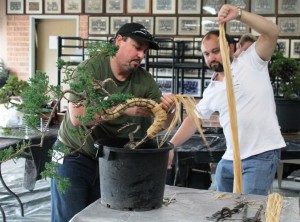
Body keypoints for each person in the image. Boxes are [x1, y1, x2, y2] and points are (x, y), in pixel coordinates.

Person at [51, 23, 175, 222]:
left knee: (102, 217)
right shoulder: (90, 68)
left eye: (145, 51)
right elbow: (78, 117)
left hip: (112, 160)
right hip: (73, 153)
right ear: (118, 41)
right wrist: (124, 109)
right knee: (69, 216)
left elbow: (164, 121)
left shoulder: (145, 81)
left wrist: (170, 110)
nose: (141, 55)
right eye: (137, 47)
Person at [168, 4, 286, 196]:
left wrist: (239, 15)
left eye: (215, 51)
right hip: (230, 159)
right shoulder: (213, 88)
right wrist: (170, 145)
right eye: (206, 54)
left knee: (248, 211)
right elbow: (193, 119)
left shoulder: (252, 62)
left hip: (261, 154)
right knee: (222, 207)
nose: (211, 58)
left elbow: (273, 31)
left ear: (230, 47)